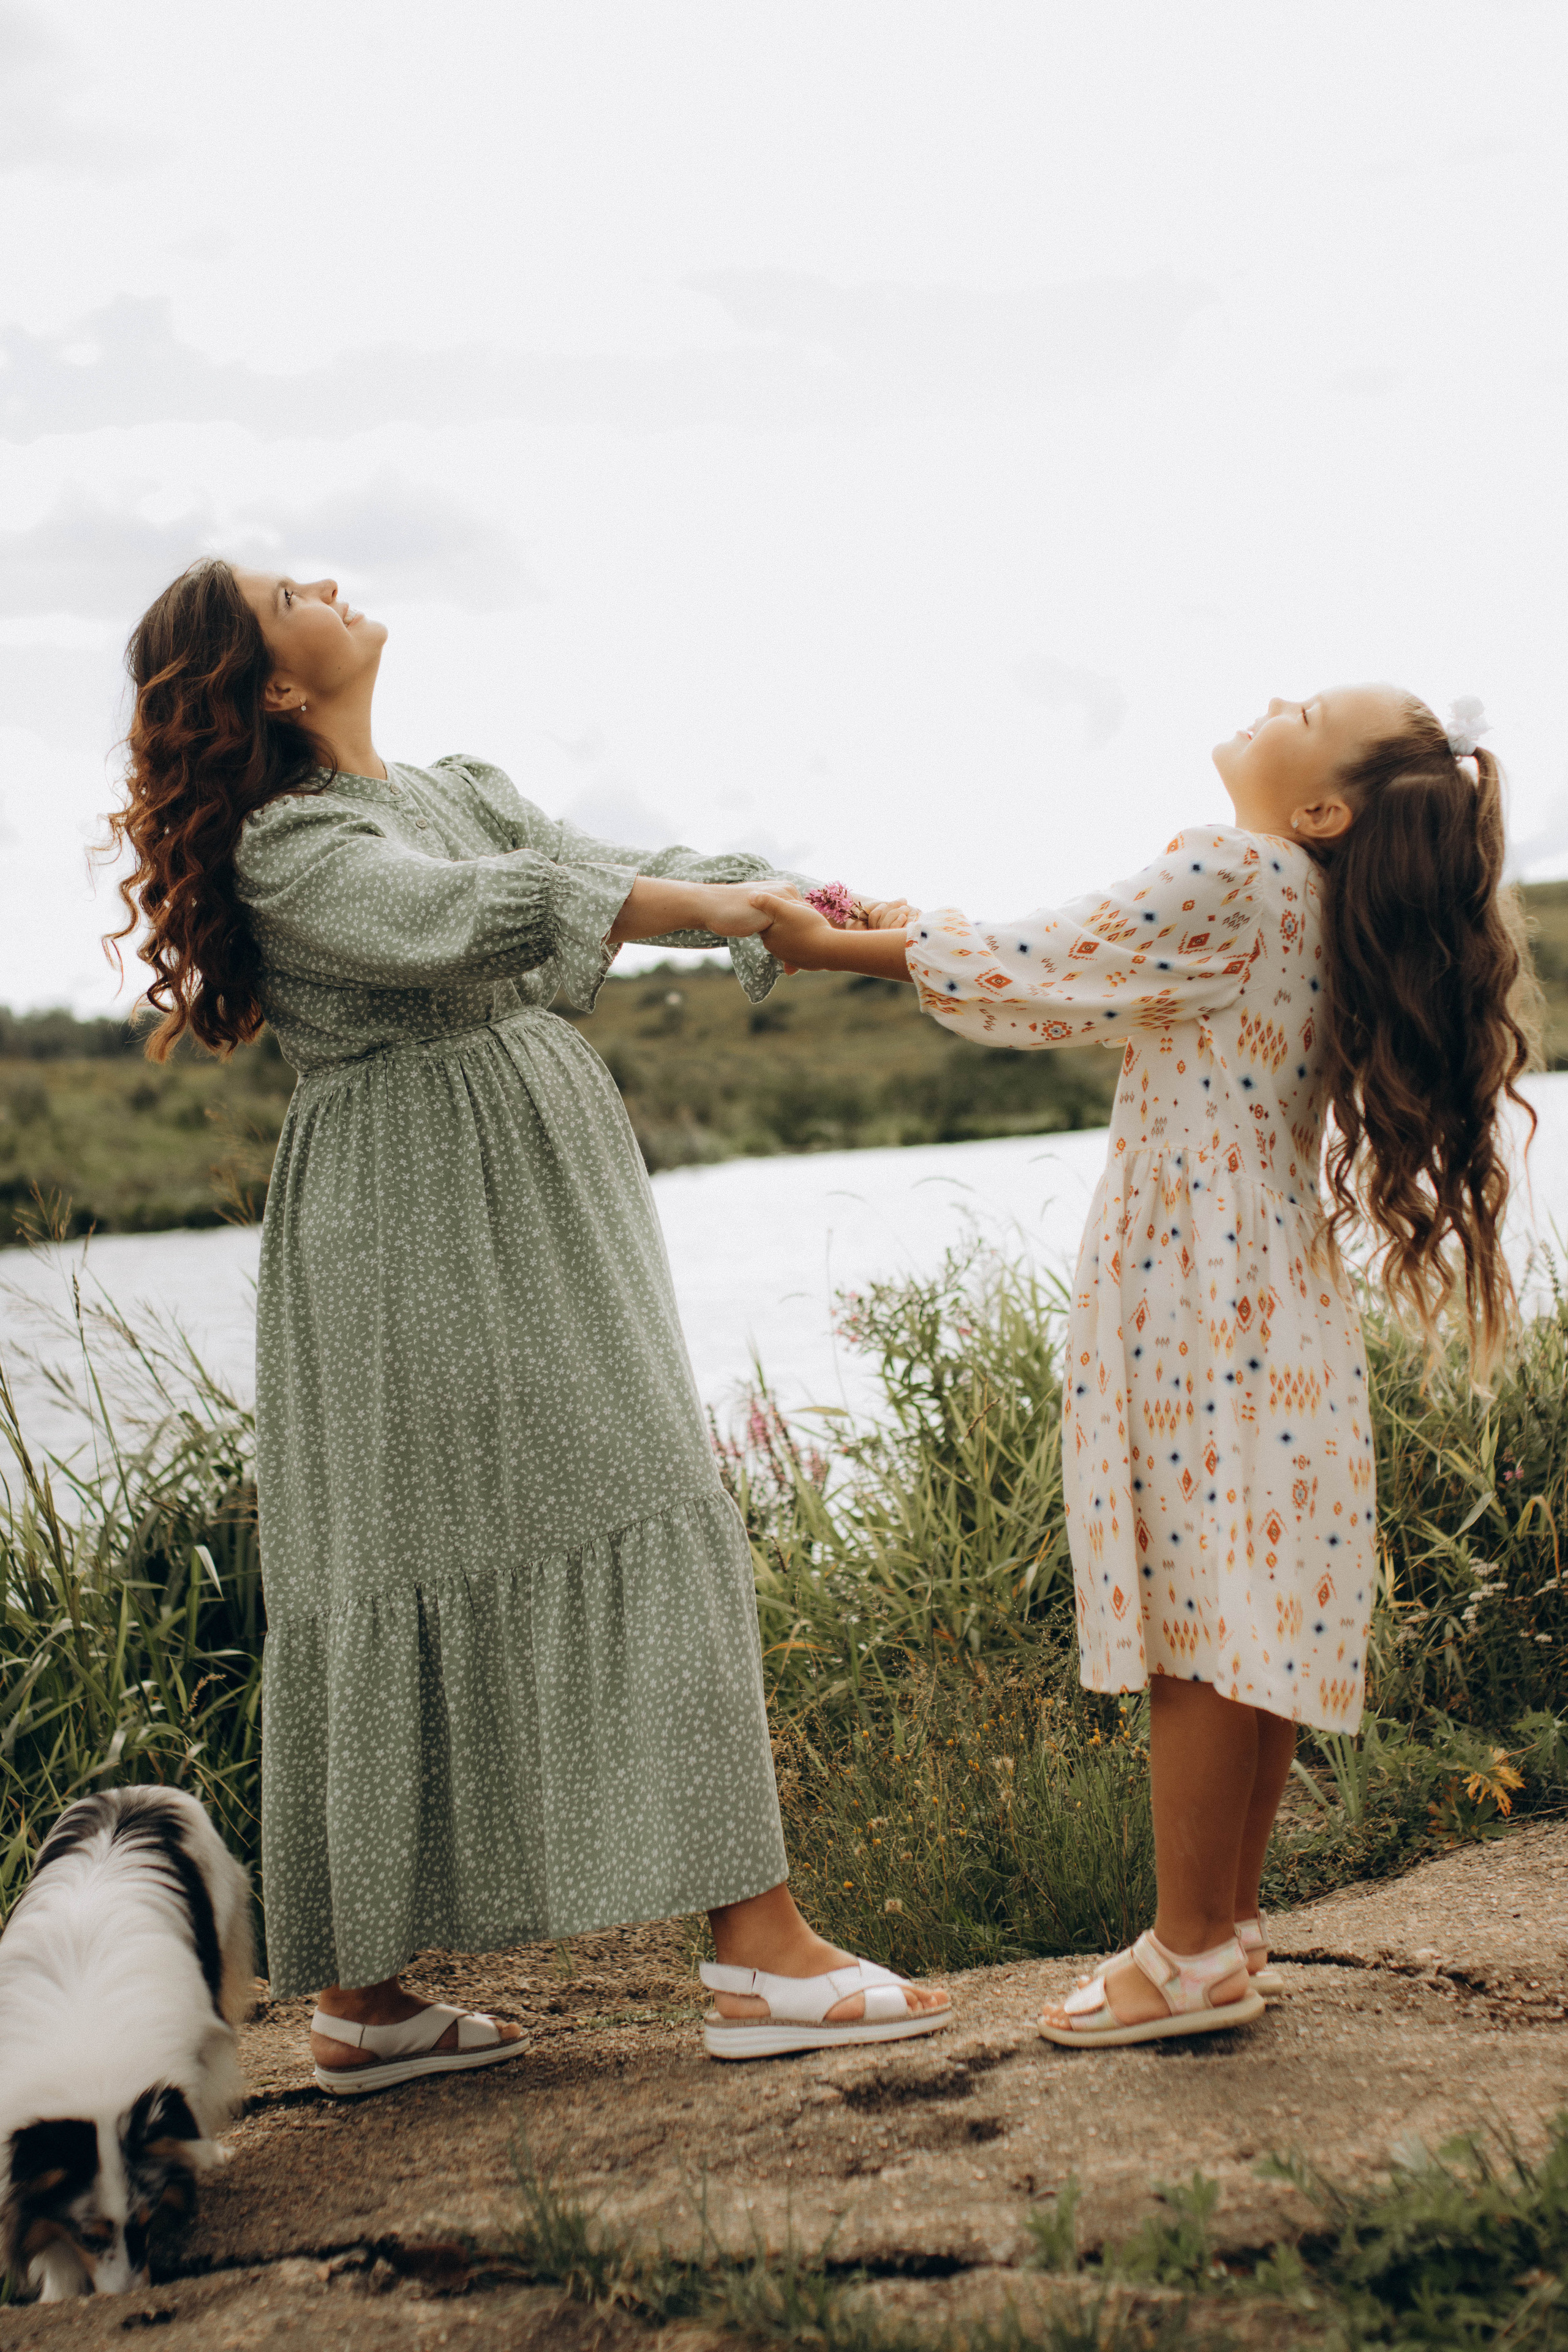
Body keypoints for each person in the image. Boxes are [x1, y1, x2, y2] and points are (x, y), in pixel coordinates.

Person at [105, 560, 949, 2089]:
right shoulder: (289, 850)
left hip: (530, 1185)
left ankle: (376, 2000)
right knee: (441, 1539)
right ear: (274, 689)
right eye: (285, 586)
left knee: (611, 1506)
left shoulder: (454, 784)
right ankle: (735, 1951)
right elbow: (474, 915)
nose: (328, 577)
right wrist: (710, 906)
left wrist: (811, 904)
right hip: (404, 1214)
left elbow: (613, 863)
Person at [750, 685, 1537, 2047]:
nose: (1276, 698)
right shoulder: (1307, 901)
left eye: (1310, 706)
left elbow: (1037, 961)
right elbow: (1076, 967)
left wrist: (835, 947)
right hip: (1274, 1295)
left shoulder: (1233, 868)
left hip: (1190, 1298)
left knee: (1193, 1620)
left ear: (1319, 811)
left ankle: (1181, 1953)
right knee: (1246, 1621)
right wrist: (885, 924)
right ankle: (1222, 1932)